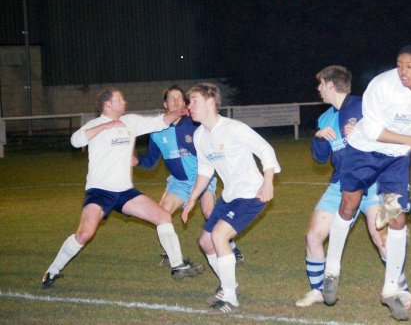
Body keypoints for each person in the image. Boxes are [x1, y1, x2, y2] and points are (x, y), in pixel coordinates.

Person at [323, 45, 411, 321]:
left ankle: (390, 290)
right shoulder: (381, 85)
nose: (402, 71)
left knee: (395, 218)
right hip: (364, 151)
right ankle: (331, 271)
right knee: (349, 204)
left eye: (409, 66)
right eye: (399, 64)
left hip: (395, 160)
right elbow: (371, 130)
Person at [42, 88, 202, 289]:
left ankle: (178, 265)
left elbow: (159, 121)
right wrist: (106, 126)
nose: (124, 102)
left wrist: (177, 113)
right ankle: (52, 271)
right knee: (84, 234)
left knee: (163, 216)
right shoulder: (95, 125)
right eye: (119, 99)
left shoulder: (131, 121)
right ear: (108, 105)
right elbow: (75, 141)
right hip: (99, 192)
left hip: (125, 192)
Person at [295, 65, 411, 308]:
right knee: (313, 236)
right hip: (340, 184)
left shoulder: (364, 106)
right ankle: (318, 290)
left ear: (330, 84)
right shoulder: (325, 118)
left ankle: (399, 288)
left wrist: (362, 134)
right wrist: (318, 138)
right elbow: (319, 158)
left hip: (373, 183)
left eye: (320, 85)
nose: (318, 90)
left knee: (381, 236)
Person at [181, 82, 281, 315]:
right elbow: (205, 170)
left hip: (251, 194)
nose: (189, 106)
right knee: (206, 242)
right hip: (230, 196)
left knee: (219, 236)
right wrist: (192, 199)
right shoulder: (199, 135)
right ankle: (229, 284)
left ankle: (231, 299)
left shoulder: (234, 128)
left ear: (210, 102)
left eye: (193, 101)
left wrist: (268, 182)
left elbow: (265, 150)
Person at [133, 85, 244, 266]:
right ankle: (173, 255)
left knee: (210, 212)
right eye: (172, 99)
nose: (176, 102)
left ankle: (232, 247)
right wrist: (137, 161)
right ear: (165, 104)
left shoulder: (194, 124)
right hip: (178, 183)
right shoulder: (157, 131)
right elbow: (151, 161)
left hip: (202, 178)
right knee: (161, 214)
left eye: (179, 98)